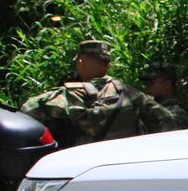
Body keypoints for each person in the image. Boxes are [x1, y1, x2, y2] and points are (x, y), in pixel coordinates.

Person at [20, 39, 175, 146]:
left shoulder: (61, 96)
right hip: (126, 165)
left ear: (81, 63)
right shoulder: (129, 93)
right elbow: (166, 118)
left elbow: (26, 112)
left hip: (82, 169)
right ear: (107, 65)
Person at [140, 63, 188, 129]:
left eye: (151, 83)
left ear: (167, 84)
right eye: (146, 83)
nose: (147, 86)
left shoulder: (175, 112)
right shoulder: (154, 109)